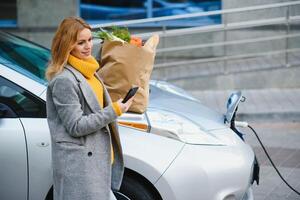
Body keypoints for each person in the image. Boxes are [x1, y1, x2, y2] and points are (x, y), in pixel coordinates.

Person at [45, 17, 133, 200]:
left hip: (97, 161)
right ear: (68, 45)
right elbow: (76, 126)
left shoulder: (89, 71)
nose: (87, 46)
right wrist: (113, 111)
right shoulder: (64, 80)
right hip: (81, 167)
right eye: (81, 42)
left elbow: (95, 107)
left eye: (90, 40)